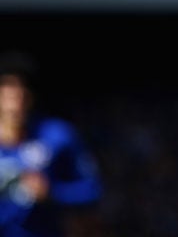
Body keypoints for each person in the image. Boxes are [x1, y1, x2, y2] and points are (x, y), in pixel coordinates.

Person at [0, 51, 102, 237]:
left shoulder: (57, 136)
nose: (18, 96)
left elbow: (92, 190)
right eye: (9, 86)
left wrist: (52, 193)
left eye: (24, 87)